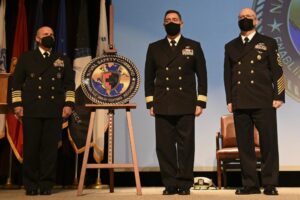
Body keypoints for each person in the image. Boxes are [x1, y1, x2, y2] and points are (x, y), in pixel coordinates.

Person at [144, 10, 207, 195]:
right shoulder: (154, 47)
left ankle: (185, 184)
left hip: (186, 103)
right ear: (163, 24)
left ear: (182, 23)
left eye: (174, 20)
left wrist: (200, 102)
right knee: (164, 147)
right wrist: (150, 103)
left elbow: (202, 76)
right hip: (163, 103)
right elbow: (149, 78)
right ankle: (170, 183)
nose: (171, 22)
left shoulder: (193, 45)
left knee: (186, 146)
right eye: (168, 20)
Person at [224, 8, 285, 195]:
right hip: (240, 101)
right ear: (237, 20)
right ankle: (250, 184)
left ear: (256, 21)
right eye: (241, 17)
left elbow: (278, 71)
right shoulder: (231, 46)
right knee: (245, 145)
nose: (245, 20)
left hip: (264, 100)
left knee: (268, 144)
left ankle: (270, 184)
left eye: (248, 17)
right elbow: (228, 75)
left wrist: (279, 96)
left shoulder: (268, 42)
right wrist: (230, 99)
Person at [12, 26, 75, 195]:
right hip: (31, 109)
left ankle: (46, 185)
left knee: (49, 151)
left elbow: (69, 85)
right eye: (46, 34)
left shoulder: (62, 58)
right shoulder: (26, 58)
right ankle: (31, 185)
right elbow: (16, 83)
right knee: (31, 150)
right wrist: (17, 105)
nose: (50, 37)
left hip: (54, 110)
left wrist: (68, 104)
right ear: (37, 39)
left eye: (52, 34)